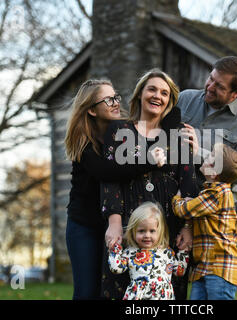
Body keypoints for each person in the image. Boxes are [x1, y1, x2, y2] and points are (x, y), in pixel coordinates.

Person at [100, 68, 199, 300]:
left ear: (169, 101)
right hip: (128, 222)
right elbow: (110, 178)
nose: (157, 96)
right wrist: (114, 223)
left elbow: (189, 183)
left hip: (167, 227)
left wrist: (188, 226)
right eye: (152, 89)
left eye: (164, 93)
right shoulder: (120, 130)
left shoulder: (178, 134)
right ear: (140, 94)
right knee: (118, 287)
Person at [64, 79, 155, 299]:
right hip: (84, 226)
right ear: (92, 110)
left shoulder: (127, 131)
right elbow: (108, 171)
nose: (115, 103)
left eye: (115, 97)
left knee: (113, 291)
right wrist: (148, 160)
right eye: (108, 100)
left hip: (117, 223)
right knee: (87, 292)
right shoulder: (83, 141)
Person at [177, 56, 237, 208]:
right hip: (172, 197)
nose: (210, 87)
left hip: (211, 211)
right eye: (211, 78)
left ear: (236, 93)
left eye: (220, 86)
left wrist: (199, 154)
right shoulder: (185, 98)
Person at [172, 143, 237, 300]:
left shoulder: (217, 193)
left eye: (211, 156)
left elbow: (184, 210)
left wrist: (177, 198)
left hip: (220, 269)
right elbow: (197, 207)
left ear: (215, 172)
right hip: (203, 268)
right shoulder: (209, 193)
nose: (206, 157)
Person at [108, 202, 189, 300]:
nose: (147, 235)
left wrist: (184, 251)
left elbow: (179, 271)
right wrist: (115, 248)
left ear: (160, 232)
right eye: (141, 231)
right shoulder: (131, 251)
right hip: (138, 296)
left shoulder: (166, 251)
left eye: (152, 231)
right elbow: (116, 268)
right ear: (133, 231)